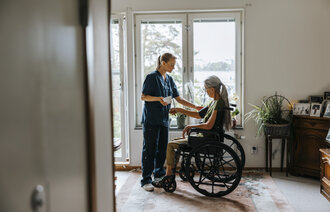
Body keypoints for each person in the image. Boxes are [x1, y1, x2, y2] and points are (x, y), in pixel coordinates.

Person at [140, 53, 203, 191]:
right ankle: (146, 180)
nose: (173, 68)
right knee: (149, 150)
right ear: (163, 62)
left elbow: (178, 98)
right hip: (151, 119)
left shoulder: (169, 79)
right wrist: (158, 99)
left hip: (164, 120)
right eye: (171, 65)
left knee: (162, 149)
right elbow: (144, 97)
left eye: (174, 65)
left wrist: (195, 106)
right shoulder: (151, 77)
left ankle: (159, 175)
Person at [161, 75, 231, 179]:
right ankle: (174, 170)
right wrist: (179, 110)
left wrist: (190, 126)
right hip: (205, 137)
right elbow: (198, 114)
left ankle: (168, 175)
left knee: (171, 145)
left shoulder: (217, 104)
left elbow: (208, 126)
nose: (205, 91)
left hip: (205, 139)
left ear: (212, 89)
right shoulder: (214, 102)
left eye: (206, 89)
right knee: (176, 141)